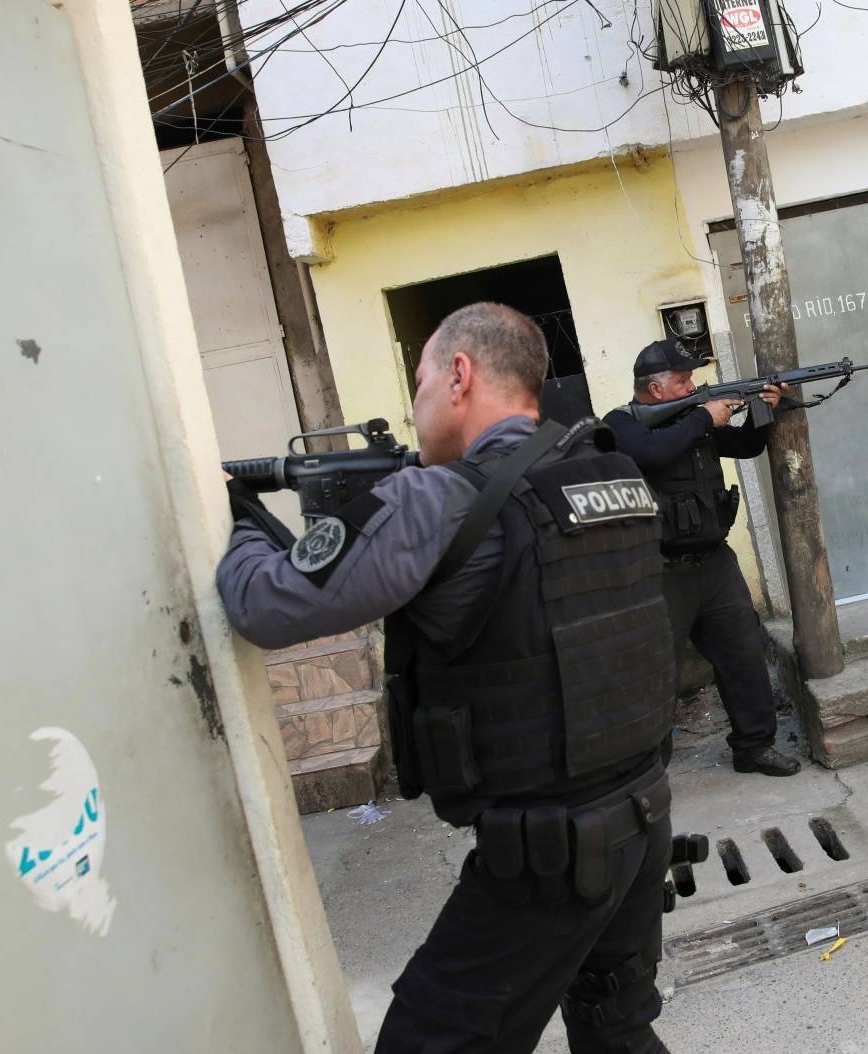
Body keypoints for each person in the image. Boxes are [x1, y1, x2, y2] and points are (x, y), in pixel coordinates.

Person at [217, 303, 677, 1054]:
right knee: (617, 1032)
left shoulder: (437, 501)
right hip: (641, 818)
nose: (415, 405)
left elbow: (263, 604)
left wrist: (235, 517)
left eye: (421, 379)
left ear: (460, 375)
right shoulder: (609, 472)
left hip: (548, 857)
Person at [603, 339, 801, 778]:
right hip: (657, 572)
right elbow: (650, 453)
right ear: (654, 391)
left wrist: (763, 408)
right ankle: (647, 775)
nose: (693, 385)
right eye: (683, 380)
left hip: (714, 563)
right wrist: (702, 416)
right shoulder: (620, 424)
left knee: (744, 655)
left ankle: (754, 747)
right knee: (657, 674)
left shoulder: (693, 423)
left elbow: (747, 446)